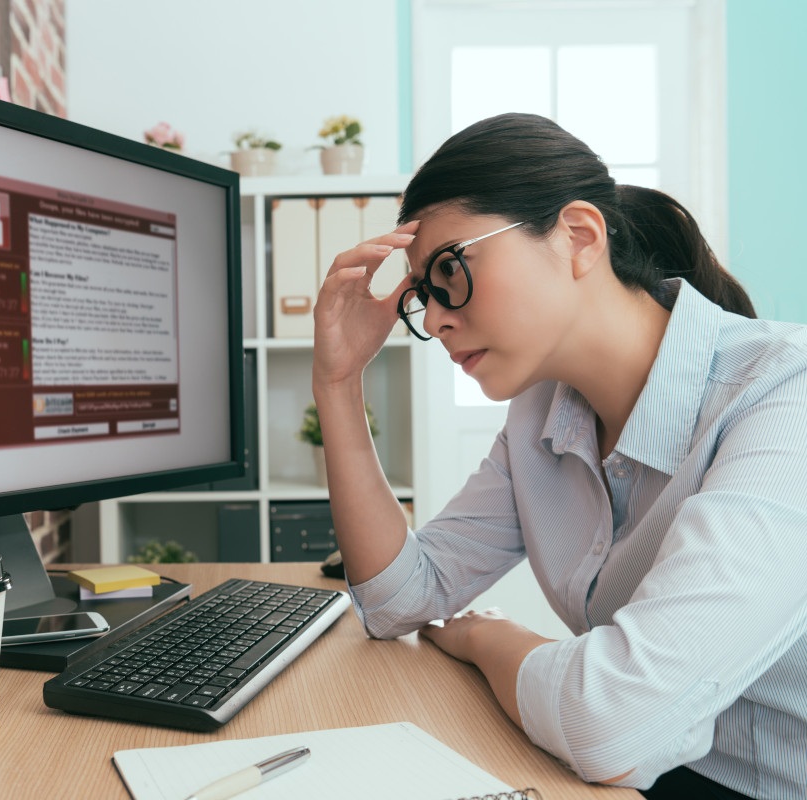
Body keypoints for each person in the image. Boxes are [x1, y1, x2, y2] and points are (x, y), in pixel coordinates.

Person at [312, 112, 807, 800]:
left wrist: (493, 640)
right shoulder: (541, 414)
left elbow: (611, 722)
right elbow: (399, 600)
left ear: (578, 236)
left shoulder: (787, 396)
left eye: (449, 271)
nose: (434, 317)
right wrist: (338, 382)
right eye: (423, 294)